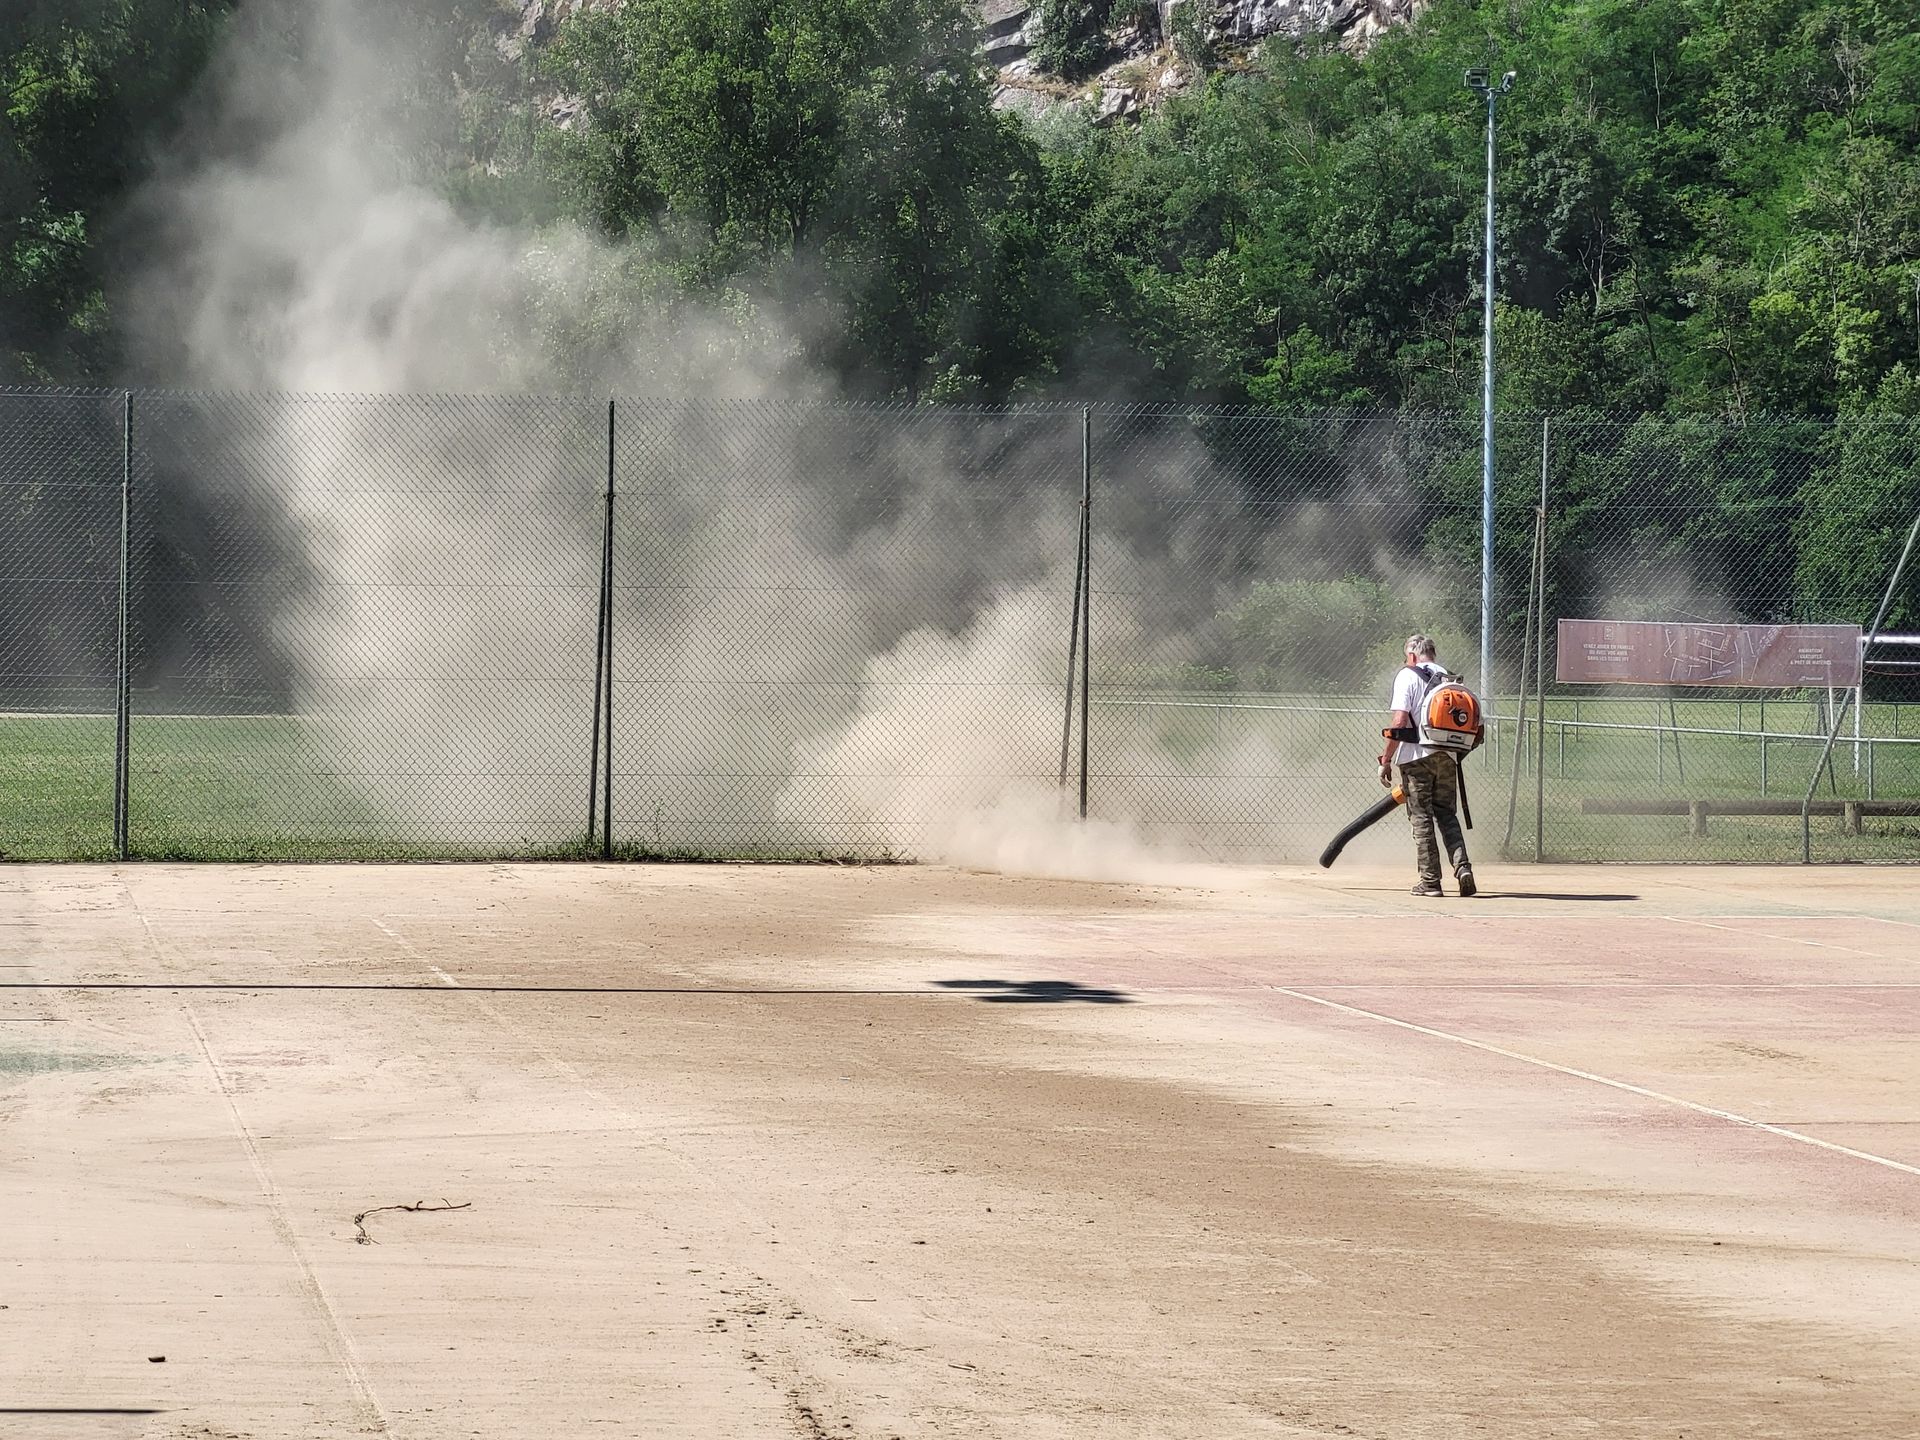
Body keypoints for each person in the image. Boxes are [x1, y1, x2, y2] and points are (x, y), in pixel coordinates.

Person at [1378, 634, 1476, 898]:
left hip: (1416, 757)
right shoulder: (1449, 678)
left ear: (1411, 655)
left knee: (1421, 818)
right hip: (1448, 757)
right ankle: (1463, 867)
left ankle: (1430, 882)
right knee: (1446, 814)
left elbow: (1399, 722)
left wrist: (1386, 760)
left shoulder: (1407, 675)